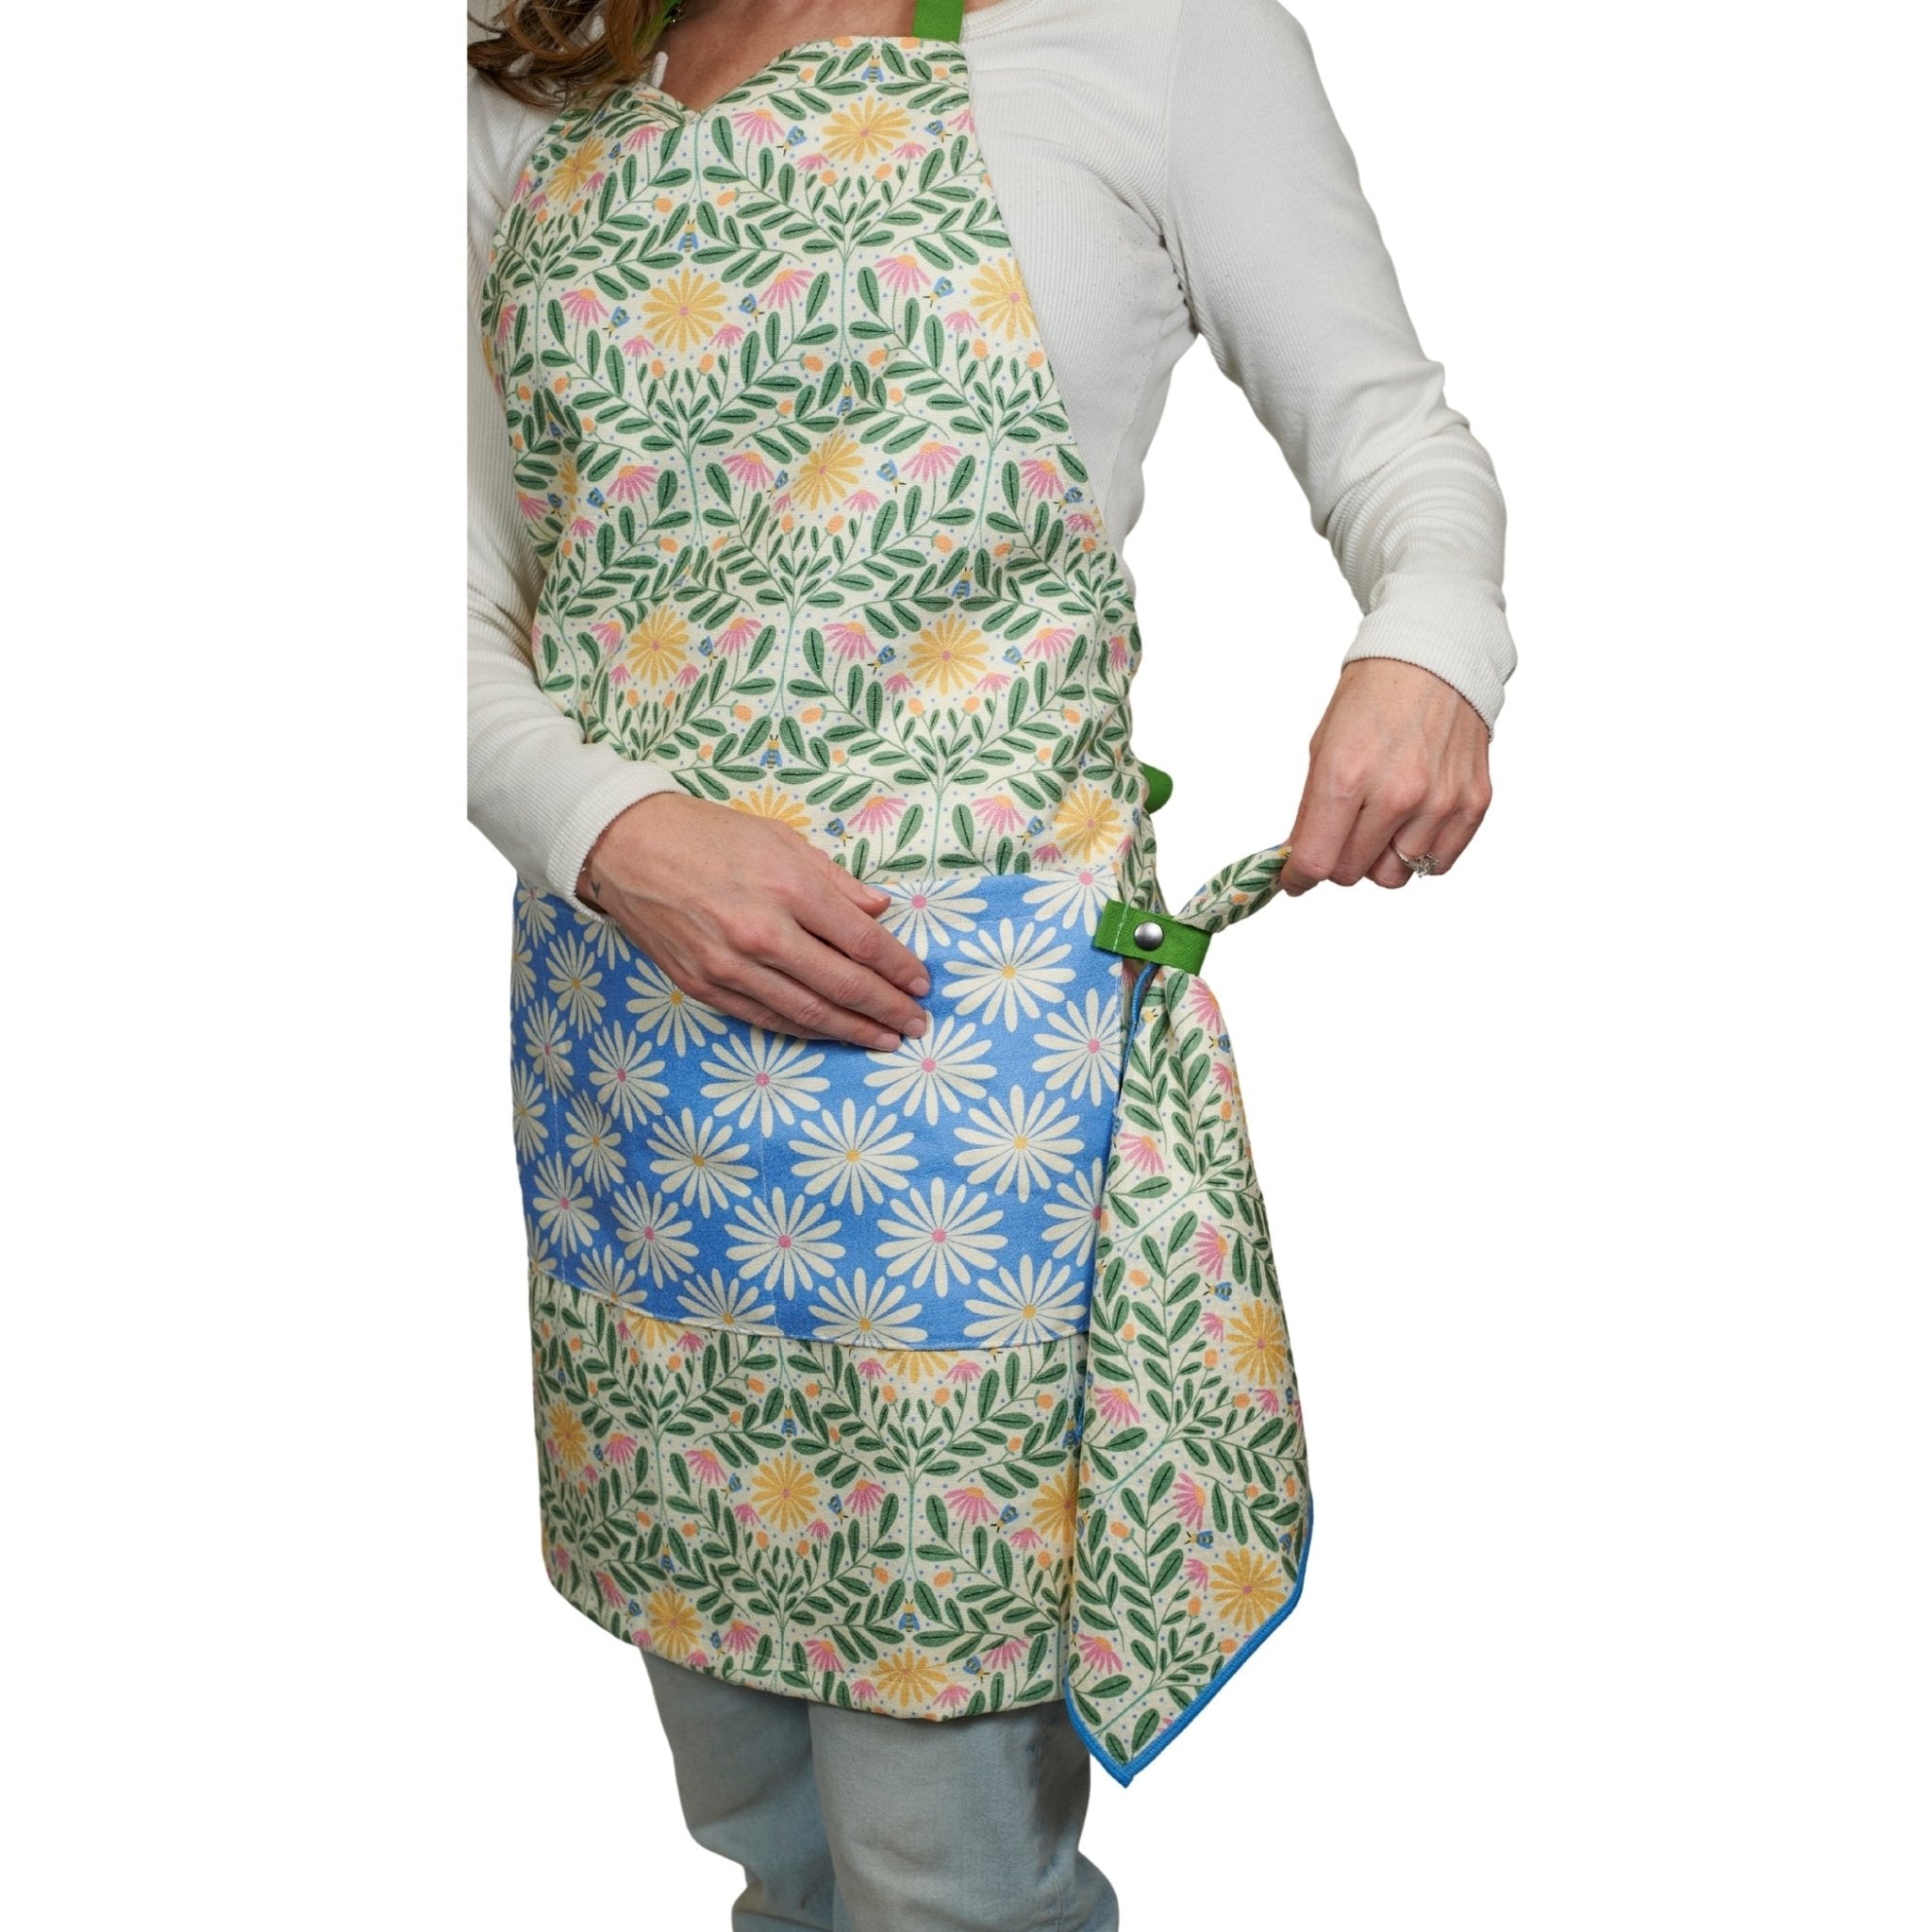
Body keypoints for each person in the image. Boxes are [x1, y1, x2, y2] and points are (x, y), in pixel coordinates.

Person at [466, 1, 1514, 1924]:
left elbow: (1392, 439)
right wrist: (609, 828)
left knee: (942, 1866)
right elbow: (434, 594)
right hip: (638, 1089)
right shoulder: (538, 77)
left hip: (964, 1108)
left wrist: (1427, 642)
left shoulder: (1154, 35)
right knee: (757, 1828)